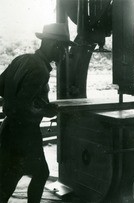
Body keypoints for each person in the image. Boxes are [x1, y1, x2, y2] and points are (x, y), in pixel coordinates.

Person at [0, 23, 76, 203]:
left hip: (9, 128)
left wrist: (21, 100)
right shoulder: (41, 70)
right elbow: (22, 108)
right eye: (63, 48)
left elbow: (2, 87)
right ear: (53, 45)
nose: (64, 53)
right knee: (29, 175)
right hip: (24, 132)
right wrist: (46, 111)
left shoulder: (21, 59)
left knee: (17, 175)